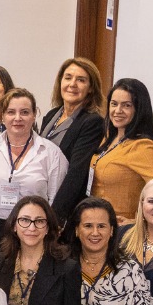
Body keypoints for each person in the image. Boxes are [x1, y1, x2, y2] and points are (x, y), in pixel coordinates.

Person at [0, 88, 67, 258]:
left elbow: (55, 199)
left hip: (33, 232)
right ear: (2, 116)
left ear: (34, 115)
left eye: (24, 112)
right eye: (11, 112)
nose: (17, 118)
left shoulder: (51, 153)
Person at [89, 79, 153, 225]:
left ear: (139, 109)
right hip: (97, 223)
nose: (118, 111)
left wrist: (137, 221)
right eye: (114, 104)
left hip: (121, 231)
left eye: (127, 105)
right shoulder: (108, 138)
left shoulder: (144, 147)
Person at [40, 59, 106, 221]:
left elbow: (76, 173)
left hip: (64, 208)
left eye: (81, 80)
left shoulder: (92, 122)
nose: (72, 84)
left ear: (91, 88)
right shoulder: (51, 115)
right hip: (42, 200)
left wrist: (54, 217)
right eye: (68, 77)